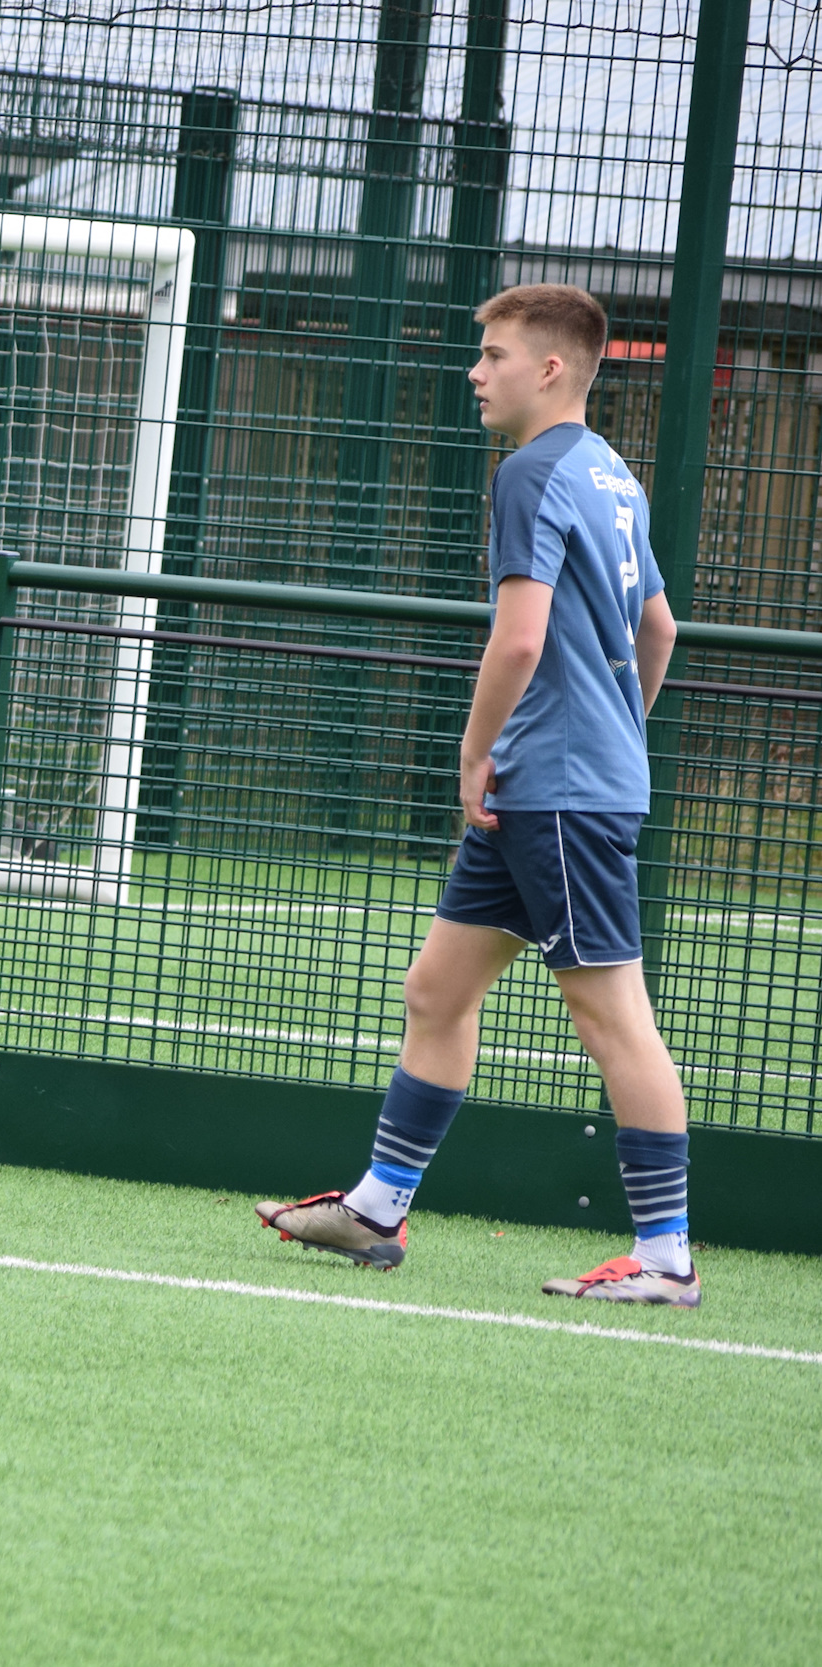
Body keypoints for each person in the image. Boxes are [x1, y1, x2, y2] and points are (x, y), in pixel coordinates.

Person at [255, 284, 699, 1306]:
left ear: (549, 368)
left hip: (550, 792)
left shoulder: (529, 472)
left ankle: (666, 1256)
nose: (474, 370)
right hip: (555, 786)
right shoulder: (611, 473)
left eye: (491, 354)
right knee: (437, 990)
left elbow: (519, 638)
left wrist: (475, 750)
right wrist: (616, 731)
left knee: (611, 1013)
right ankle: (375, 1205)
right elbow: (659, 629)